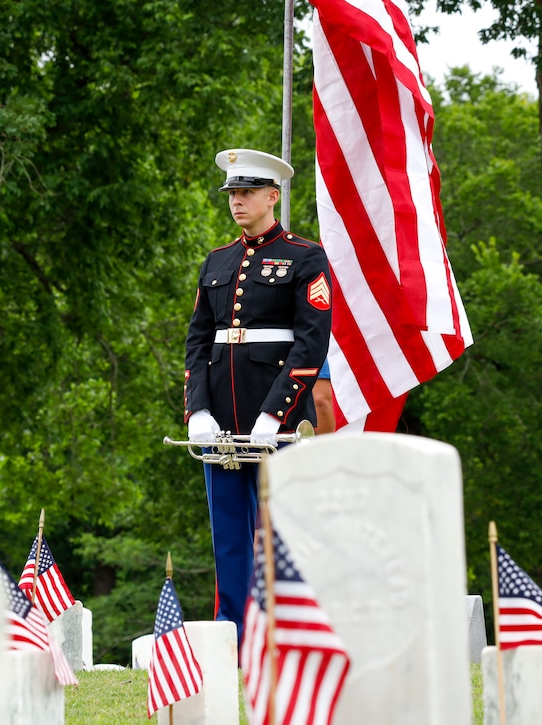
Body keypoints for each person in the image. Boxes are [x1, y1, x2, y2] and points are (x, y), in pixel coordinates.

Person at [184, 148, 332, 643]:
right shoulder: (217, 261)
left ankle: (288, 636)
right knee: (229, 534)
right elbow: (198, 341)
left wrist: (275, 414)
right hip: (221, 421)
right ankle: (236, 637)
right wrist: (197, 409)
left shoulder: (304, 257)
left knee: (281, 532)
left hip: (279, 420)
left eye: (247, 192)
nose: (237, 201)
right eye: (232, 192)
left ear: (273, 196)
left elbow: (311, 343)